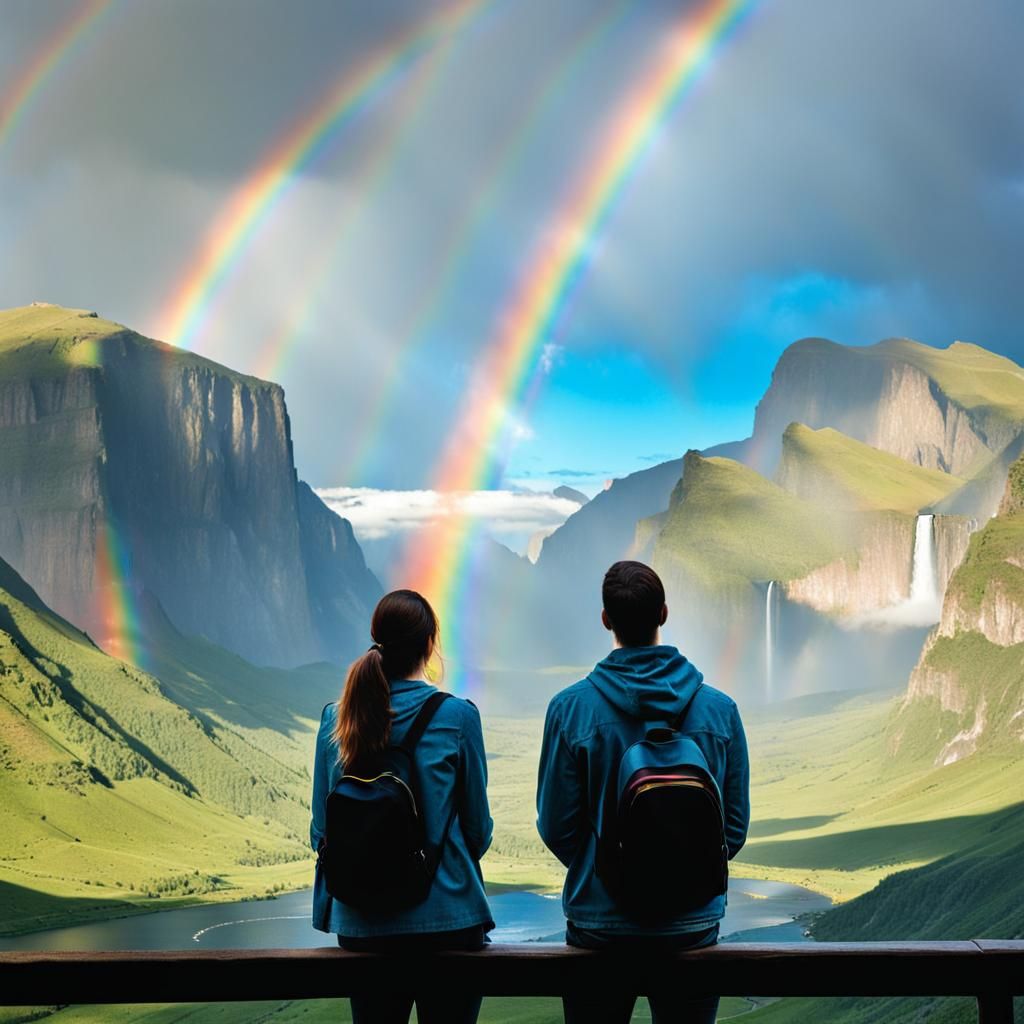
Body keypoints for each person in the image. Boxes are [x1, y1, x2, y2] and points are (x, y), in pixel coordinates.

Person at [537, 560, 750, 1024]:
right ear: (665, 613)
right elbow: (731, 830)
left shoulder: (569, 709)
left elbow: (556, 825)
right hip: (692, 927)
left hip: (599, 927)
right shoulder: (720, 710)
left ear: (605, 619)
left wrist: (605, 871)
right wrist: (681, 870)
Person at [310, 589, 494, 1024]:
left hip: (362, 927)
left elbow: (322, 831)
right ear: (429, 645)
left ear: (377, 641)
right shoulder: (459, 718)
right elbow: (477, 831)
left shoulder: (335, 719)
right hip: (448, 922)